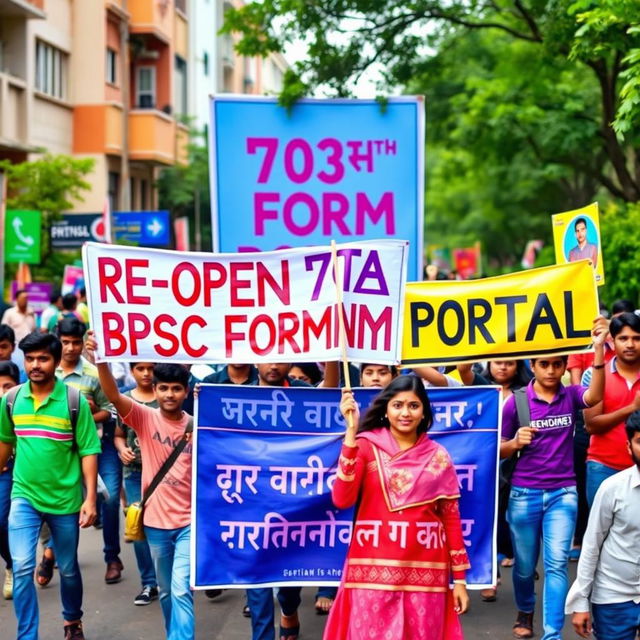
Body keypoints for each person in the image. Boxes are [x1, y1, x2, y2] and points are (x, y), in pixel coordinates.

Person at [323, 374, 470, 639]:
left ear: (424, 411)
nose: (405, 413)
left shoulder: (438, 456)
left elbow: (450, 519)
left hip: (426, 572)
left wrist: (459, 579)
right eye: (398, 405)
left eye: (413, 406)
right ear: (386, 409)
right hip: (372, 569)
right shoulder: (366, 446)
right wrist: (351, 434)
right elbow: (341, 499)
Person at [500, 317, 607, 640]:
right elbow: (498, 451)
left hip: (563, 493)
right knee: (523, 567)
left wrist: (599, 349)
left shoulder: (571, 395)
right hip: (524, 493)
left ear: (564, 367)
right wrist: (515, 442)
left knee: (557, 564)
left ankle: (551, 634)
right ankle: (525, 610)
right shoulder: (516, 403)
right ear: (532, 366)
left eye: (556, 364)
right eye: (544, 364)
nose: (550, 370)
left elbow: (596, 396)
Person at [89, 332, 194, 640]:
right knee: (164, 592)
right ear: (155, 389)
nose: (170, 394)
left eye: (176, 388)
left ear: (186, 391)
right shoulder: (144, 418)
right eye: (164, 388)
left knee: (180, 589)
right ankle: (171, 632)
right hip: (156, 524)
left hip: (188, 523)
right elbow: (113, 395)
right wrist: (102, 361)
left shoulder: (196, 425)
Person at [0, 332, 101, 640]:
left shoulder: (73, 401)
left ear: (56, 362)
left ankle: (73, 621)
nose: (35, 365)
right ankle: (26, 634)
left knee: (68, 568)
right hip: (24, 496)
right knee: (21, 567)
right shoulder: (12, 399)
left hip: (65, 500)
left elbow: (88, 450)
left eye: (43, 358)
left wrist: (91, 500)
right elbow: (5, 443)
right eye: (30, 359)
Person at [52, 317, 117, 585]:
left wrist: (89, 414)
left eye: (75, 342)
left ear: (83, 344)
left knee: (110, 499)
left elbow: (111, 411)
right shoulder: (46, 370)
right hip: (63, 453)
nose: (70, 348)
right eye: (65, 342)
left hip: (100, 447)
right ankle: (54, 553)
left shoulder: (93, 373)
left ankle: (112, 557)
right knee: (61, 505)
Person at [565, 410, 640, 640]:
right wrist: (580, 601)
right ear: (628, 447)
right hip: (614, 597)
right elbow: (591, 545)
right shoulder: (612, 489)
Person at [113, 362, 159, 606]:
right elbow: (119, 435)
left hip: (165, 476)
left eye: (150, 368)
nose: (146, 373)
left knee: (168, 527)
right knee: (137, 525)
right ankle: (149, 583)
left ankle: (170, 578)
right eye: (140, 368)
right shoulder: (126, 400)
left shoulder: (166, 395)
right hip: (134, 474)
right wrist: (122, 450)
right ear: (132, 370)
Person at [584, 311, 640, 505]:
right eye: (623, 338)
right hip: (604, 466)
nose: (630, 344)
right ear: (613, 341)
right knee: (600, 532)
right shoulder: (596, 375)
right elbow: (591, 425)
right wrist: (631, 408)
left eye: (636, 338)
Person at [0, 360, 20, 600]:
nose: (2, 393)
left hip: (30, 471)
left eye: (7, 386)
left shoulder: (23, 405)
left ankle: (49, 553)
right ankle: (12, 565)